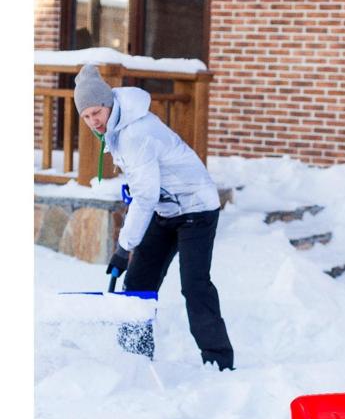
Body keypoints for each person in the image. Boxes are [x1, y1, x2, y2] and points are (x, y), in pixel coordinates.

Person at [73, 63, 235, 372]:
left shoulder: (135, 134)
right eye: (87, 116)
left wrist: (124, 248)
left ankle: (219, 363)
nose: (94, 121)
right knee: (138, 282)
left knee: (195, 284)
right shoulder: (118, 126)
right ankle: (133, 359)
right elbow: (146, 189)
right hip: (167, 208)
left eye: (96, 112)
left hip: (196, 208)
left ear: (108, 104)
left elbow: (145, 196)